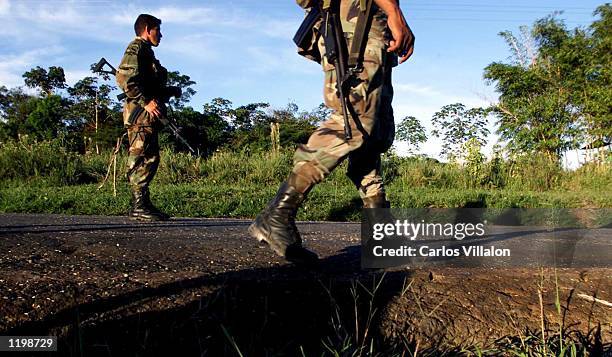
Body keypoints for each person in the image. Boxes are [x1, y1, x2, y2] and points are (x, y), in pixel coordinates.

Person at [248, 0, 415, 264]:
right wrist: (395, 12)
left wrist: (392, 15)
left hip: (371, 22)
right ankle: (278, 214)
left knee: (375, 127)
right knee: (353, 120)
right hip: (355, 22)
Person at [116, 14, 181, 221]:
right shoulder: (136, 49)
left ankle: (142, 203)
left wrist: (168, 91)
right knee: (142, 157)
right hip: (140, 115)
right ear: (147, 29)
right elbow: (125, 80)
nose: (160, 35)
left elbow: (148, 83)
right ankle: (138, 205)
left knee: (150, 157)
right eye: (157, 30)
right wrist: (147, 102)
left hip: (147, 115)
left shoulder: (147, 53)